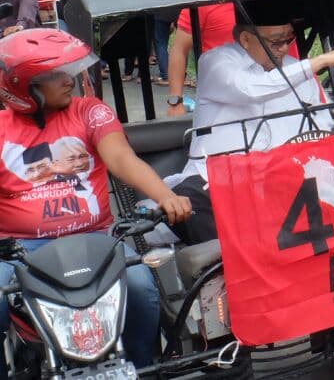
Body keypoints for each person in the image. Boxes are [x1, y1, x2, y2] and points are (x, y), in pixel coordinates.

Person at [0, 30, 193, 376]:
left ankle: (139, 368)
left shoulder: (90, 111)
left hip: (96, 241)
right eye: (56, 75)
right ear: (23, 87)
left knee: (140, 288)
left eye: (69, 70)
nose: (69, 80)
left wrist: (166, 196)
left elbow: (122, 158)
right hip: (21, 251)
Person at [166, 0, 334, 244]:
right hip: (216, 181)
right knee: (194, 209)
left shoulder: (298, 70)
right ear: (245, 39)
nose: (284, 48)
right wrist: (319, 61)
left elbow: (322, 125)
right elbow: (251, 89)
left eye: (288, 39)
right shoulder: (216, 62)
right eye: (275, 41)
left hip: (282, 180)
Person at [165, 0, 258, 115]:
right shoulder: (202, 3)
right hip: (220, 96)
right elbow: (179, 51)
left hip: (261, 90)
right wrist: (176, 100)